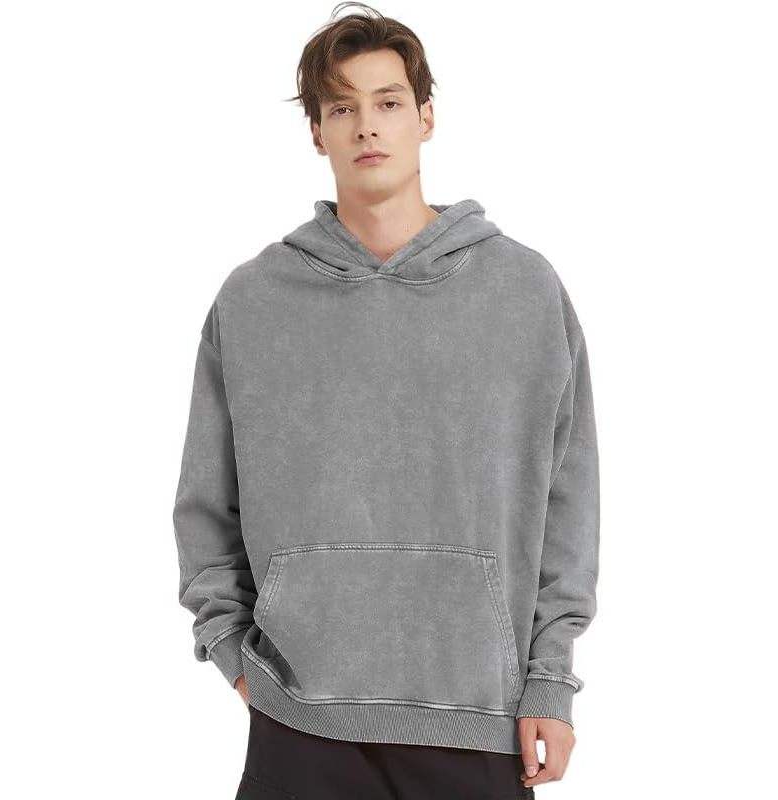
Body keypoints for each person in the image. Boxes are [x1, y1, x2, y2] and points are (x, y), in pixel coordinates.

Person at [172, 3, 600, 797]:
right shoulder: (253, 301)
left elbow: (567, 498)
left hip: (477, 715)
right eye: (342, 108)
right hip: (298, 716)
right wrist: (233, 653)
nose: (367, 125)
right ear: (317, 131)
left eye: (388, 102)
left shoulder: (523, 291)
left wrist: (550, 680)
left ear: (425, 116)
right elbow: (207, 501)